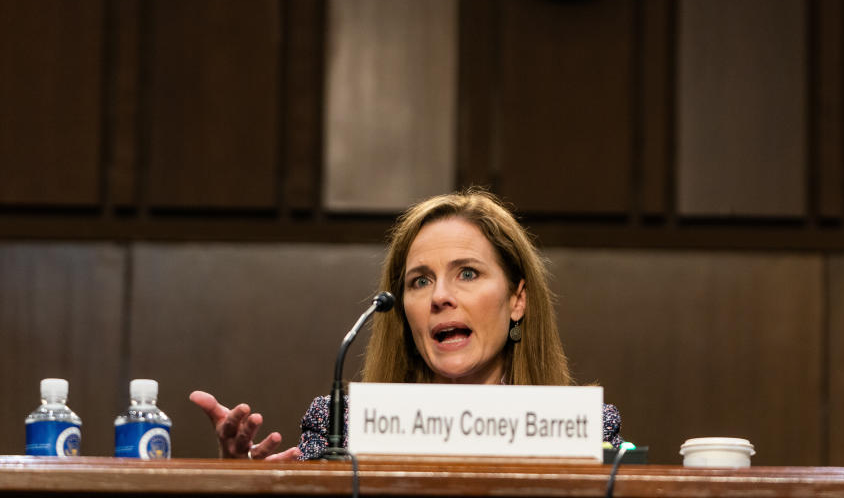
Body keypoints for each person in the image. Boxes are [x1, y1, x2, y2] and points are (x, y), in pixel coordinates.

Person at [190, 188, 622, 460]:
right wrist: (246, 483)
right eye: (420, 281)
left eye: (467, 273)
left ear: (517, 300)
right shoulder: (342, 427)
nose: (439, 297)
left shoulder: (583, 430)